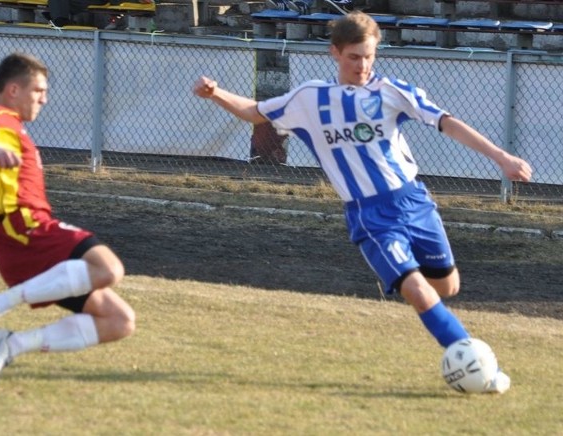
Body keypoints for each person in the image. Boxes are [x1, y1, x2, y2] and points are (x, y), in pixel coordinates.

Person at [193, 11, 532, 393]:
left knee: (447, 287)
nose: (363, 65)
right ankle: (476, 366)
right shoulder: (310, 98)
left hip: (413, 200)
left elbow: (446, 121)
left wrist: (500, 157)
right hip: (370, 214)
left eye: (369, 56)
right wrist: (216, 93)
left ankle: (424, 303)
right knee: (418, 291)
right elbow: (253, 112)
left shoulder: (390, 90)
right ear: (335, 53)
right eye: (355, 57)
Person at [0, 52, 135, 391]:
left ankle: (9, 345)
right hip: (23, 229)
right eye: (38, 90)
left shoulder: (13, 127)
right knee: (109, 269)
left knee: (119, 321)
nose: (44, 98)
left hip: (23, 244)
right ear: (13, 90)